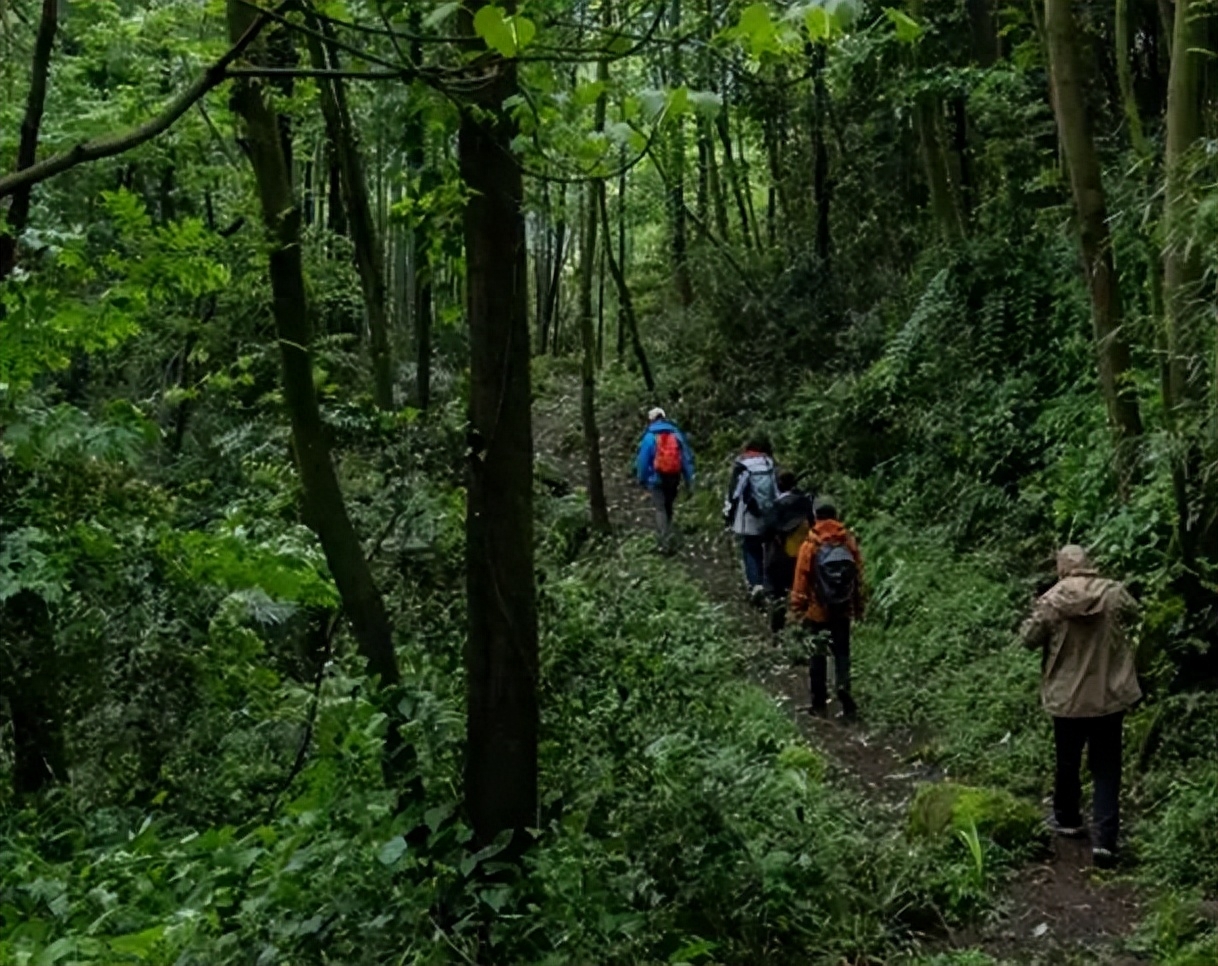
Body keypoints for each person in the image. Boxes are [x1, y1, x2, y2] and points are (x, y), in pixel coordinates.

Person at [1019, 545, 1141, 869]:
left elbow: (1028, 639)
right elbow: (1136, 613)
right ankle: (1106, 842)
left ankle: (1068, 818)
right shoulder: (1113, 593)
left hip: (1067, 700)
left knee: (1067, 761)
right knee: (1107, 768)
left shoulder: (1052, 601)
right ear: (1089, 565)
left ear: (1061, 568)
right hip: (1107, 695)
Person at [790, 500, 863, 718]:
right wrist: (858, 606)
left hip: (817, 611)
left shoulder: (810, 544)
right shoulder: (847, 542)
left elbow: (801, 579)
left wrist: (797, 608)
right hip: (842, 609)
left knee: (817, 656)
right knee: (842, 653)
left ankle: (819, 704)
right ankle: (843, 687)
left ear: (815, 516)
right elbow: (857, 577)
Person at [725, 435, 778, 605]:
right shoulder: (769, 463)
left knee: (750, 548)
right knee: (767, 548)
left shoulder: (742, 464)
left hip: (748, 513)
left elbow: (734, 492)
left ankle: (755, 585)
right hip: (769, 513)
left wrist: (728, 513)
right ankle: (769, 584)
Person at [634, 407, 695, 553]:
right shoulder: (677, 434)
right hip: (674, 477)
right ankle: (670, 533)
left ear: (651, 420)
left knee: (660, 508)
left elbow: (642, 461)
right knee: (668, 506)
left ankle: (664, 542)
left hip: (657, 478)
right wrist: (689, 480)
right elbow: (686, 458)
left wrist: (641, 478)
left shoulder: (649, 437)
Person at [765, 471, 815, 633]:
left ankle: (777, 629)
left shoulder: (777, 505)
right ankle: (804, 627)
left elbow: (767, 530)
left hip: (780, 556)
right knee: (803, 590)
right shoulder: (806, 503)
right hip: (804, 554)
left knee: (777, 592)